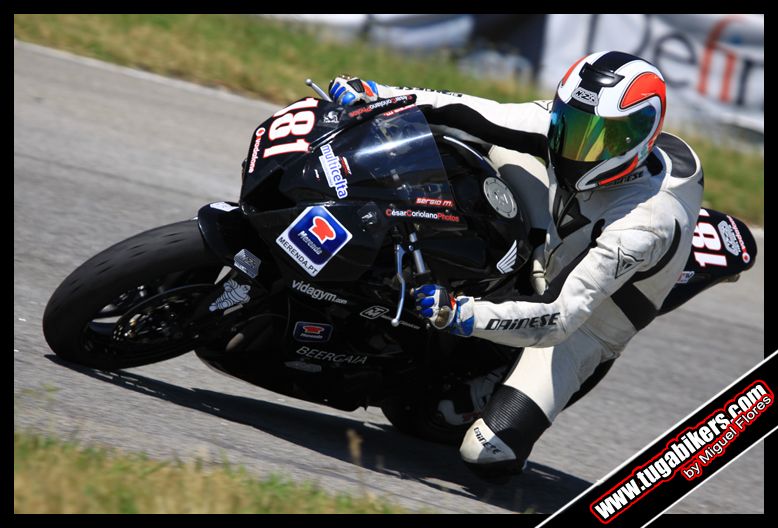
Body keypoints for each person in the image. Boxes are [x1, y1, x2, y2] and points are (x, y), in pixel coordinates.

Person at [328, 51, 704, 480]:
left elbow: (559, 317)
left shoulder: (644, 224)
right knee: (481, 140)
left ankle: (492, 378)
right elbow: (476, 111)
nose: (577, 147)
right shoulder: (565, 126)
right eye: (572, 125)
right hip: (557, 235)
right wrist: (378, 95)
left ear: (636, 140)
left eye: (597, 138)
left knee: (487, 452)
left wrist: (461, 313)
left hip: (584, 324)